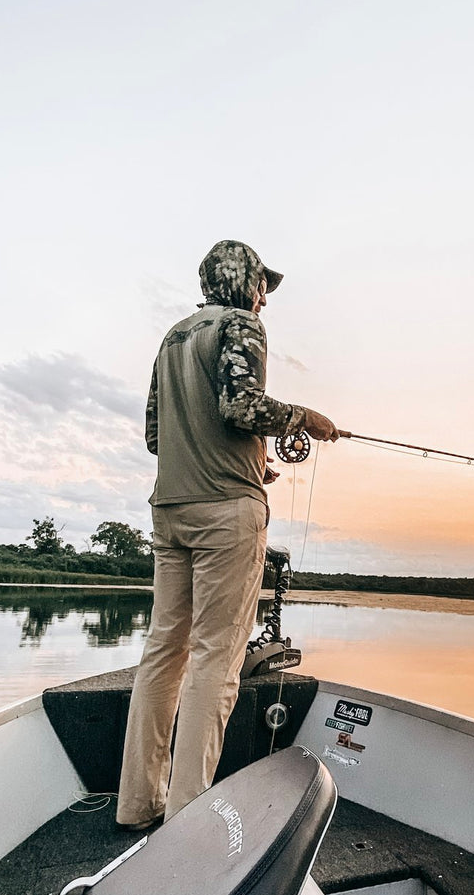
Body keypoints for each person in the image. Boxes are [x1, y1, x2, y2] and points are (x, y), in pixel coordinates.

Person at [116, 239, 339, 828]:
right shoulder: (242, 324)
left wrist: (254, 461)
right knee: (218, 657)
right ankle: (187, 820)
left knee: (164, 651)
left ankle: (138, 804)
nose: (264, 297)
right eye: (262, 283)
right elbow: (241, 407)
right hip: (225, 517)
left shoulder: (173, 338)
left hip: (170, 512)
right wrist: (303, 418)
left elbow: (157, 437)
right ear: (243, 281)